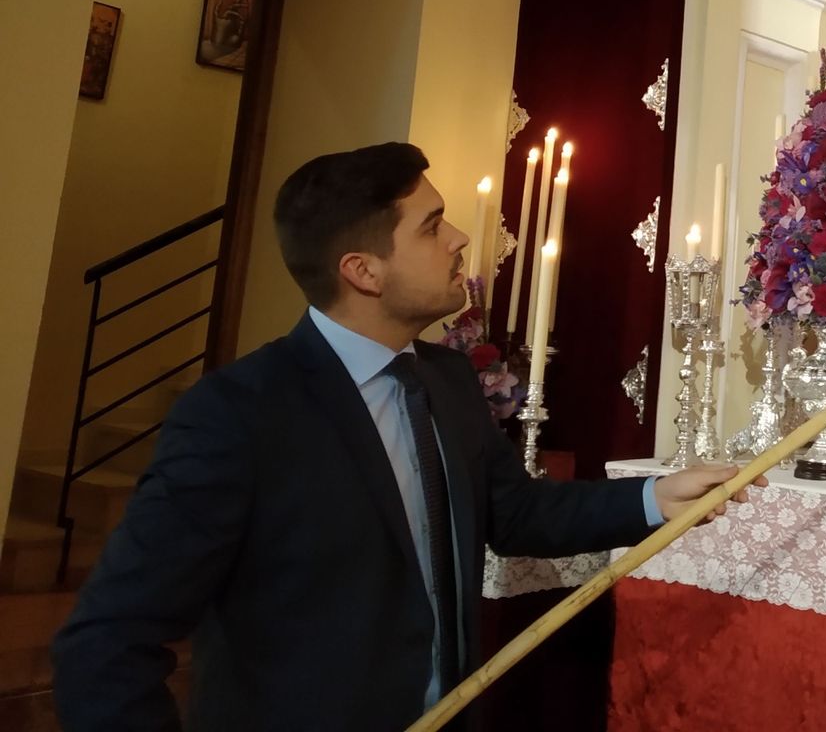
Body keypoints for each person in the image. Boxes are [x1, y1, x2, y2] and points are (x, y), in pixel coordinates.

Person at [52, 142, 761, 730]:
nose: (459, 240)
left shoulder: (446, 377)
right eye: (431, 226)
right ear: (363, 272)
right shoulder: (238, 414)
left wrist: (654, 498)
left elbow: (514, 512)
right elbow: (108, 642)